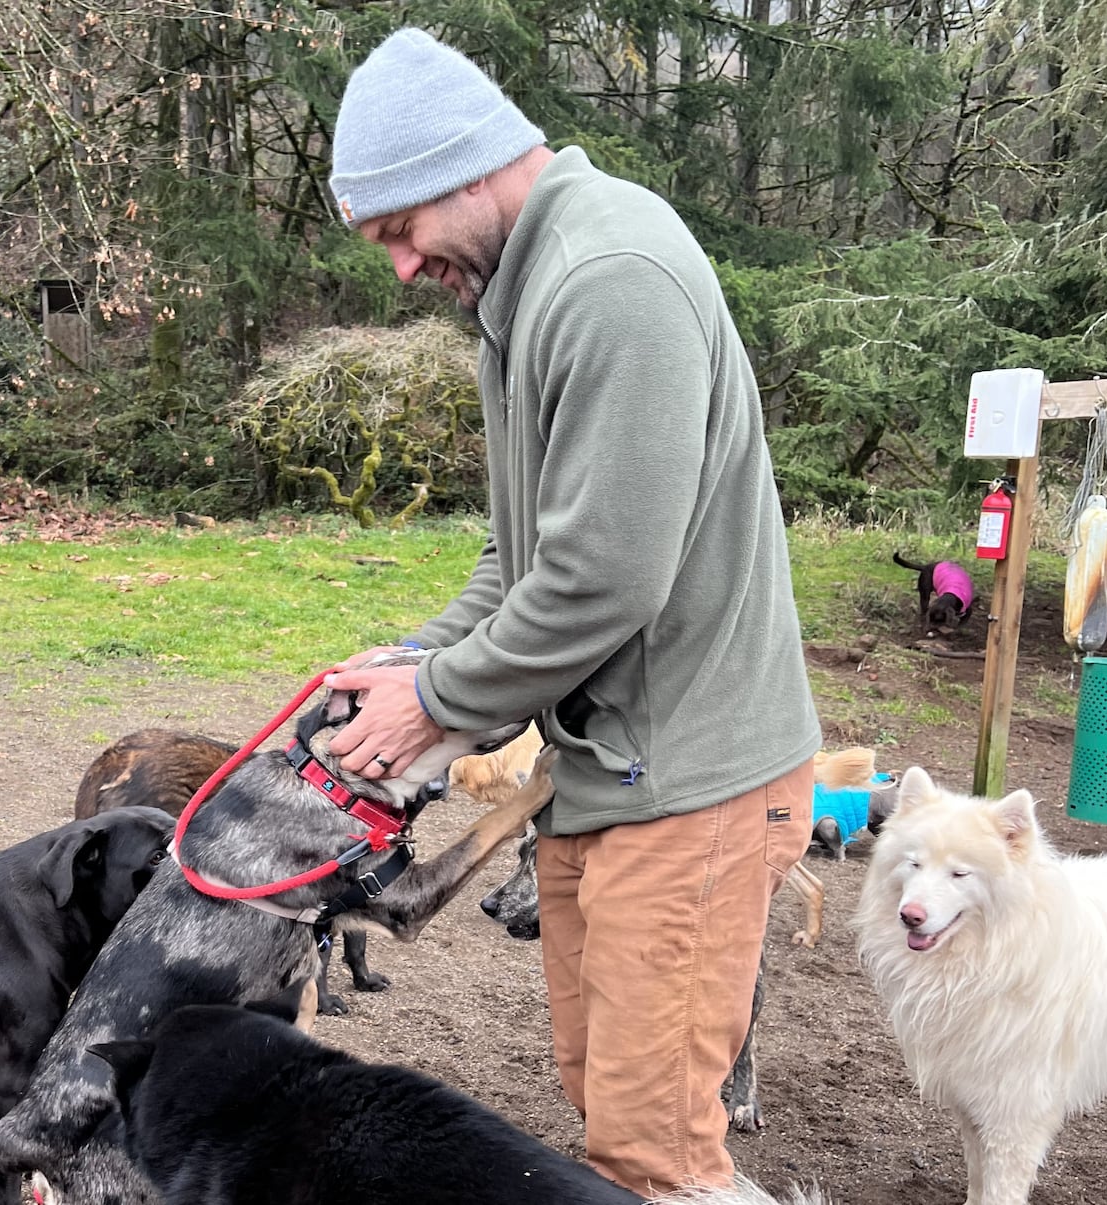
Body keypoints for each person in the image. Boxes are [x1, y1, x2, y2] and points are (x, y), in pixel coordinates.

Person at [319, 27, 822, 1199]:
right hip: (607, 774)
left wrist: (433, 705)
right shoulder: (520, 290)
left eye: (400, 231)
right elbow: (525, 552)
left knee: (652, 1156)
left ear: (469, 166)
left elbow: (604, 577)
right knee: (614, 1112)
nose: (398, 268)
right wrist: (415, 658)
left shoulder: (609, 281)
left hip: (693, 782)